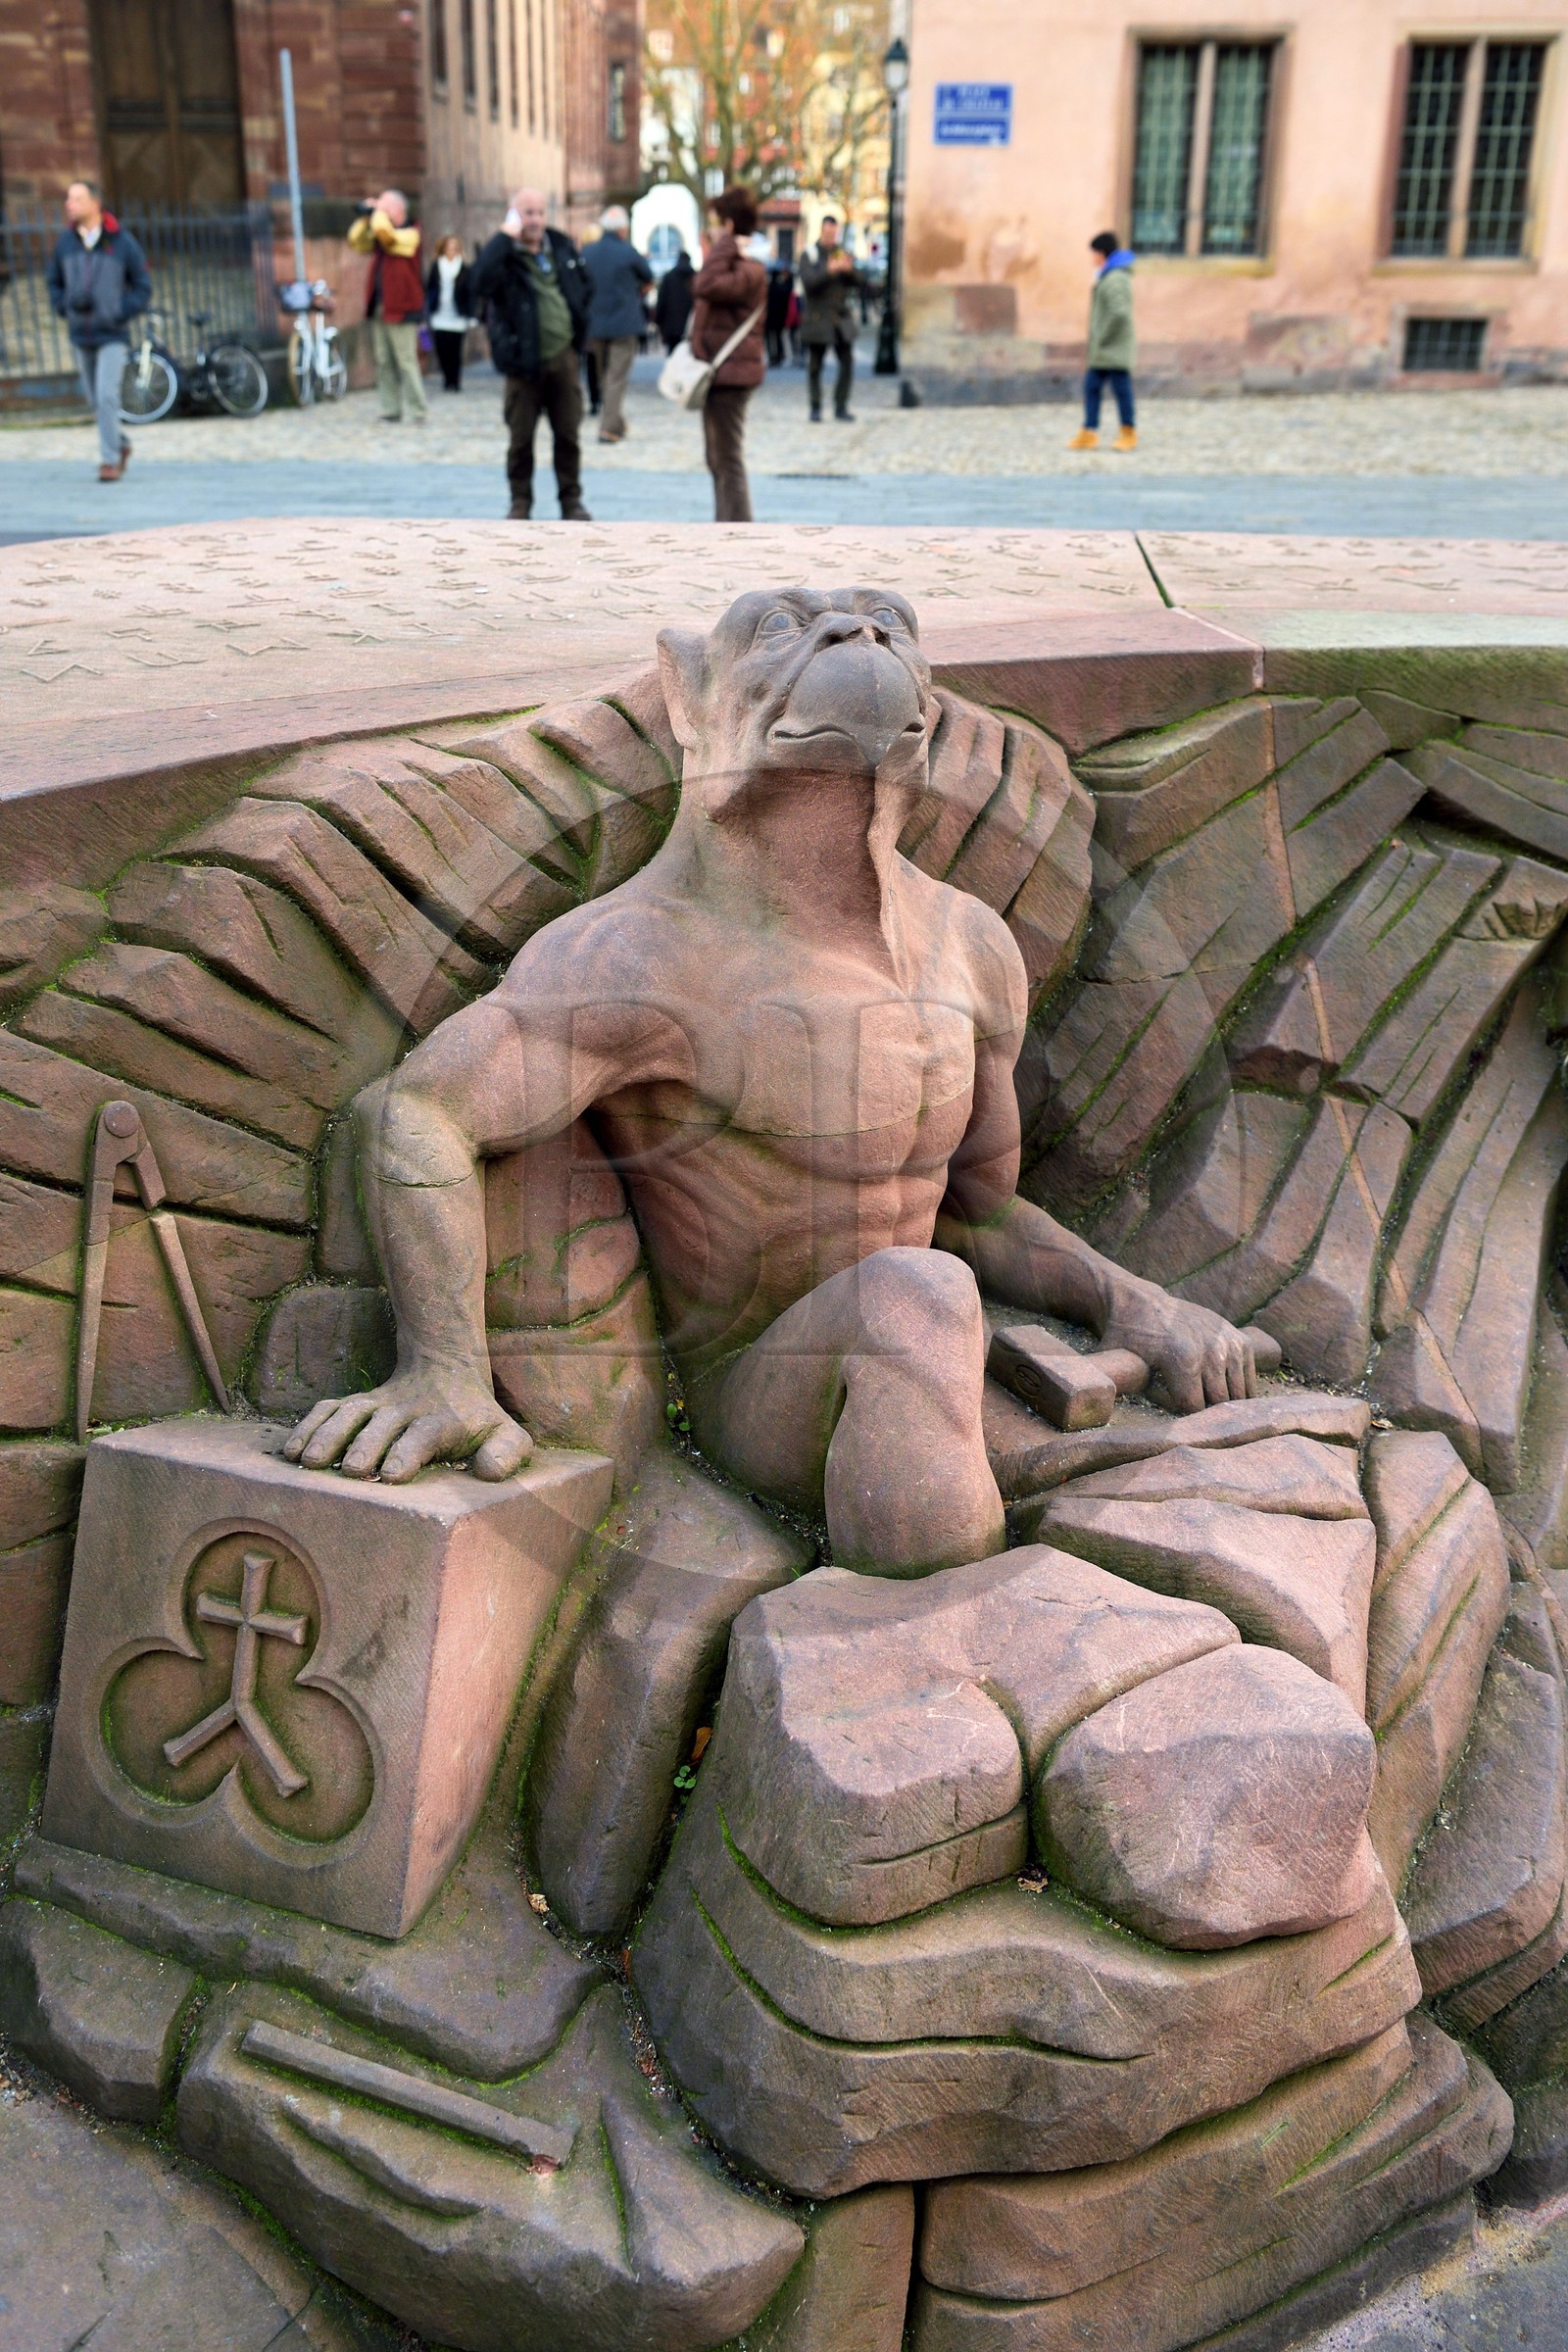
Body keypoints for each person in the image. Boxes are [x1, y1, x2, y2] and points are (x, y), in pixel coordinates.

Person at [286, 588, 1262, 1572]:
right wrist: (444, 1370)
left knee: (934, 1301)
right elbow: (418, 1112)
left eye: (891, 627)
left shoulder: (971, 945)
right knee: (912, 1296)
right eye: (781, 630)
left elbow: (980, 1215)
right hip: (762, 1388)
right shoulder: (638, 958)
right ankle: (928, 1644)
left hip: (937, 1348)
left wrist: (1134, 1301)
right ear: (688, 695)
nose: (859, 637)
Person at [472, 187, 592, 521]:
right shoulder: (504, 255)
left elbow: (583, 286)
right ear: (513, 215)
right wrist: (502, 237)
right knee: (521, 438)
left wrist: (580, 325)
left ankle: (572, 501)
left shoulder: (561, 246)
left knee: (568, 434)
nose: (535, 220)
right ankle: (520, 502)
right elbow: (479, 282)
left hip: (564, 357)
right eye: (527, 213)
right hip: (522, 360)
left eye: (539, 212)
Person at [47, 180, 150, 483]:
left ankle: (109, 460)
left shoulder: (121, 241)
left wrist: (120, 310)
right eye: (68, 199)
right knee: (95, 401)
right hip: (80, 333)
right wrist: (63, 305)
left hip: (112, 334)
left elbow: (143, 286)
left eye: (76, 198)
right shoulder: (66, 242)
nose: (69, 204)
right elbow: (53, 280)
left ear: (94, 203)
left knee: (106, 396)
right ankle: (122, 444)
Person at [690, 186, 766, 523]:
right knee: (716, 457)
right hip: (720, 372)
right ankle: (725, 525)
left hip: (732, 374)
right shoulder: (735, 266)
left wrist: (724, 244)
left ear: (730, 225)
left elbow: (704, 285)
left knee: (728, 458)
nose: (712, 232)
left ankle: (737, 530)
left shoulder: (749, 270)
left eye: (717, 225)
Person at [348, 191, 428, 424]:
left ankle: (418, 409)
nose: (380, 213)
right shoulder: (380, 231)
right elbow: (356, 240)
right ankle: (390, 408)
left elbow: (388, 237)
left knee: (406, 361)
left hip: (402, 308)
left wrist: (378, 213)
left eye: (385, 207)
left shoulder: (412, 232)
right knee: (383, 361)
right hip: (380, 307)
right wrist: (365, 218)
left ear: (397, 209)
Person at [580, 205, 652, 445]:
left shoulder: (587, 253)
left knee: (604, 376)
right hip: (624, 324)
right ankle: (608, 428)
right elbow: (648, 279)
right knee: (616, 377)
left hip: (595, 325)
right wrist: (635, 292)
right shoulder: (628, 252)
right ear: (623, 229)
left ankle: (616, 422)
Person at [1070, 230, 1137, 452]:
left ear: (1101, 253)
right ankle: (1089, 432)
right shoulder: (1107, 275)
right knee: (1092, 388)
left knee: (1122, 390)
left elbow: (1120, 313)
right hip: (1104, 349)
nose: (1092, 259)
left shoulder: (1115, 278)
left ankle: (1128, 432)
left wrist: (1103, 336)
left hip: (1112, 347)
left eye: (1094, 254)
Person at [799, 217, 862, 422]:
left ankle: (841, 405)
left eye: (834, 234)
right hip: (818, 318)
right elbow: (809, 282)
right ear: (821, 231)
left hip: (840, 318)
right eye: (828, 233)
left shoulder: (841, 252)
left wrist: (848, 269)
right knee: (815, 365)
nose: (831, 237)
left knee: (847, 363)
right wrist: (829, 271)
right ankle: (815, 407)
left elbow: (860, 280)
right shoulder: (810, 255)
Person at [424, 234, 474, 392]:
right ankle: (447, 378)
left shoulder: (464, 268)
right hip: (439, 315)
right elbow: (429, 288)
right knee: (442, 350)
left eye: (455, 247)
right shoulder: (437, 266)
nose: (452, 250)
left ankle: (455, 381)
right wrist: (427, 310)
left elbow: (470, 292)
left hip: (458, 316)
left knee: (455, 351)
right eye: (449, 246)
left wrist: (471, 315)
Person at [654, 247, 696, 352]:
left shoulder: (668, 278)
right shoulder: (696, 277)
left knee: (673, 358)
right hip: (691, 327)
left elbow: (661, 302)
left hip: (671, 327)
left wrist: (659, 322)